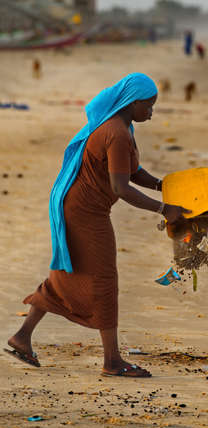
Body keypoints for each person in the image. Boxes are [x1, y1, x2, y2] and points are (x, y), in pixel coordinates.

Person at [5, 73, 190, 378]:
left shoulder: (122, 127)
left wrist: (164, 187)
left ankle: (22, 337)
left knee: (68, 274)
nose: (152, 111)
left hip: (80, 208)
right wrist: (163, 209)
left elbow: (133, 172)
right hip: (85, 214)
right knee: (103, 280)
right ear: (132, 102)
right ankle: (112, 361)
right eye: (149, 105)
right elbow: (120, 188)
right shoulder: (115, 132)